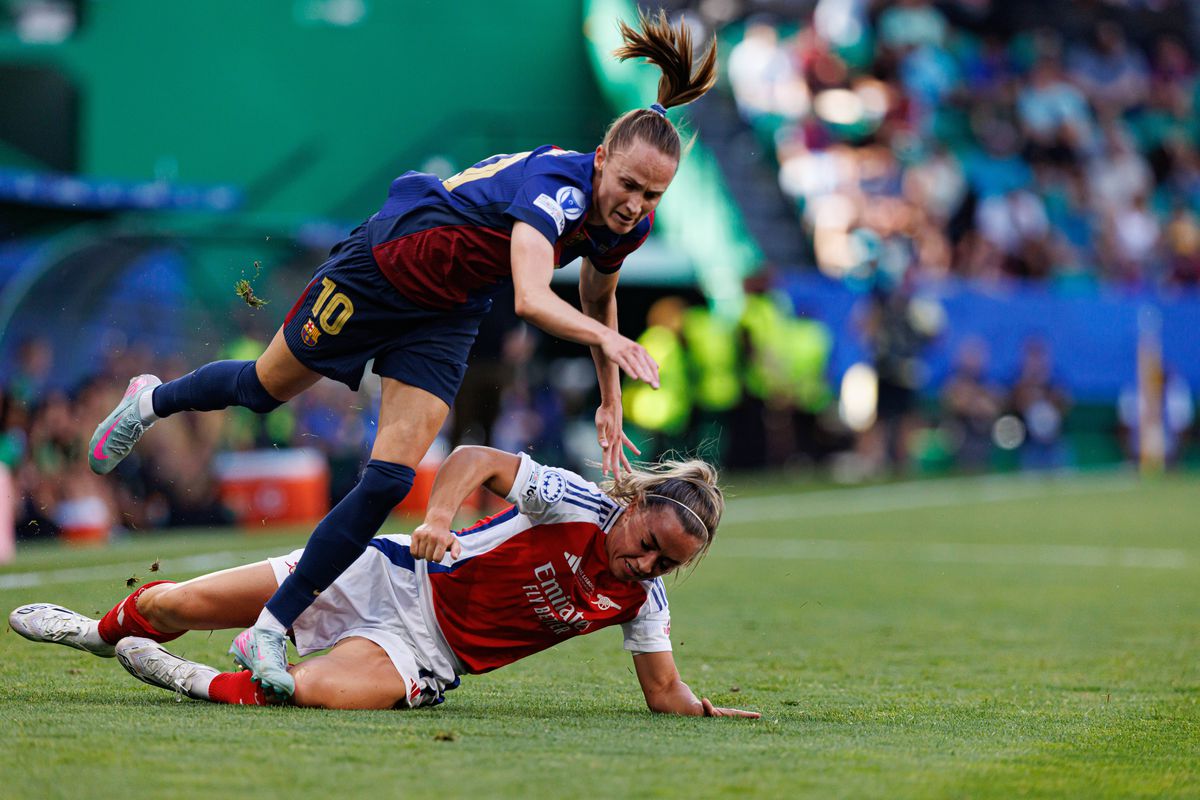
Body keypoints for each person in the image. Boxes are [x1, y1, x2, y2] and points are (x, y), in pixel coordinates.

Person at [82, 10, 718, 697]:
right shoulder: (557, 188)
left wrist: (611, 398)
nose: (635, 205)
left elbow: (599, 296)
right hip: (385, 267)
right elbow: (534, 297)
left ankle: (270, 625)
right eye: (628, 186)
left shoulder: (629, 223)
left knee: (388, 480)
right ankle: (149, 400)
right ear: (601, 160)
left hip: (447, 310)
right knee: (264, 388)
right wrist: (612, 344)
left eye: (652, 194)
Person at [10, 445, 759, 719]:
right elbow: (472, 457)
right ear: (635, 504)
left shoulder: (640, 599)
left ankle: (181, 676)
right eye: (651, 545)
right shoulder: (573, 499)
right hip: (389, 574)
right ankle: (94, 633)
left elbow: (662, 691)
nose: (648, 566)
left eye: (668, 565)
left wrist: (701, 709)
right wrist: (438, 512)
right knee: (177, 601)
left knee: (294, 691)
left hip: (426, 655)